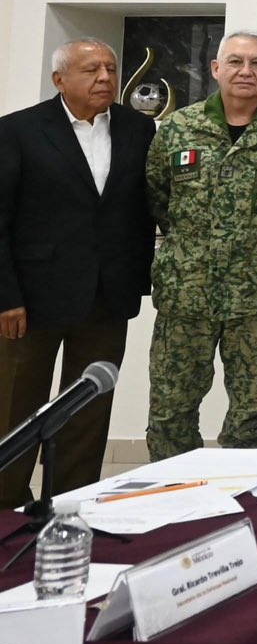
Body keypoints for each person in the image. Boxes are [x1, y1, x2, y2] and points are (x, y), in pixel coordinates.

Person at [145, 30, 257, 460]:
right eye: (236, 62)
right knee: (170, 412)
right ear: (215, 69)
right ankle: (173, 497)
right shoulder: (179, 128)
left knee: (250, 419)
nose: (246, 71)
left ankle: (241, 497)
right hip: (187, 294)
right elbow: (157, 196)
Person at [0, 39, 156, 505]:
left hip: (108, 296)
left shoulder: (138, 128)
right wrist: (6, 296)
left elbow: (141, 208)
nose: (105, 78)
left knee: (89, 407)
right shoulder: (18, 130)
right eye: (91, 70)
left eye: (110, 68)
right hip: (31, 300)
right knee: (15, 407)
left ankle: (73, 506)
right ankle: (7, 508)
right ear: (59, 79)